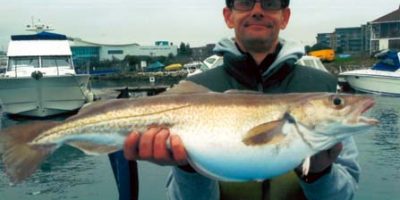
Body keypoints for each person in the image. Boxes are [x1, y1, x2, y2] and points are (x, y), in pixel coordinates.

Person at [123, 0, 360, 199]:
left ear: (285, 16)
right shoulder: (198, 89)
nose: (257, 10)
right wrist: (187, 168)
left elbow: (346, 193)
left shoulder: (323, 90)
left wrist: (319, 173)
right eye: (245, 1)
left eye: (269, 2)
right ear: (228, 16)